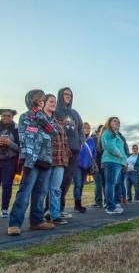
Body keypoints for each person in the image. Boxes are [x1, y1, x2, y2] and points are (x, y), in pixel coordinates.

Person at [7, 90, 53, 235]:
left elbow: (53, 131)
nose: (42, 100)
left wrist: (41, 118)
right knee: (25, 192)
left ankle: (37, 221)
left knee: (41, 193)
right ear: (31, 100)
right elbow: (28, 136)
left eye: (43, 98)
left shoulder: (46, 118)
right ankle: (14, 223)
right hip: (31, 160)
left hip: (45, 159)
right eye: (39, 98)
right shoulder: (25, 117)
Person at [34, 94, 70, 226]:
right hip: (46, 159)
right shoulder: (39, 119)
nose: (53, 103)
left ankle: (55, 214)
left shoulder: (59, 123)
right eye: (50, 101)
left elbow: (65, 141)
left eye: (55, 102)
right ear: (43, 103)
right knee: (43, 188)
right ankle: (38, 216)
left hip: (60, 160)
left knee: (56, 188)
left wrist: (66, 154)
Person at [56, 87, 84, 218]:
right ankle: (49, 208)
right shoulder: (56, 111)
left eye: (70, 95)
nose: (68, 96)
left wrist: (80, 143)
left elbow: (80, 130)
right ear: (60, 95)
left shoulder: (75, 113)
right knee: (57, 181)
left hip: (75, 151)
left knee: (67, 181)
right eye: (65, 94)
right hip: (61, 151)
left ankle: (60, 209)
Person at [100, 116, 125, 214]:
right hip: (111, 161)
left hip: (117, 162)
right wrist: (118, 153)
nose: (117, 123)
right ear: (109, 123)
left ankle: (114, 204)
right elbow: (109, 145)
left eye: (119, 122)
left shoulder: (117, 134)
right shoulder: (108, 132)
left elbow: (122, 149)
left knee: (115, 183)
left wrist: (124, 161)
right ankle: (110, 207)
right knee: (110, 183)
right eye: (115, 121)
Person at [74, 122, 95, 213]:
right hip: (77, 165)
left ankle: (79, 203)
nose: (86, 129)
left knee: (82, 185)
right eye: (84, 127)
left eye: (88, 127)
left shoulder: (91, 140)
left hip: (86, 166)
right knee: (78, 184)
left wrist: (91, 161)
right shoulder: (77, 138)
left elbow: (93, 152)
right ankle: (77, 205)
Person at [90, 124, 105, 208]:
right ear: (98, 131)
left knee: (105, 184)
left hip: (104, 166)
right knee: (99, 184)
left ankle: (106, 201)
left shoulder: (105, 139)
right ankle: (99, 202)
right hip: (96, 165)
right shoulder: (94, 139)